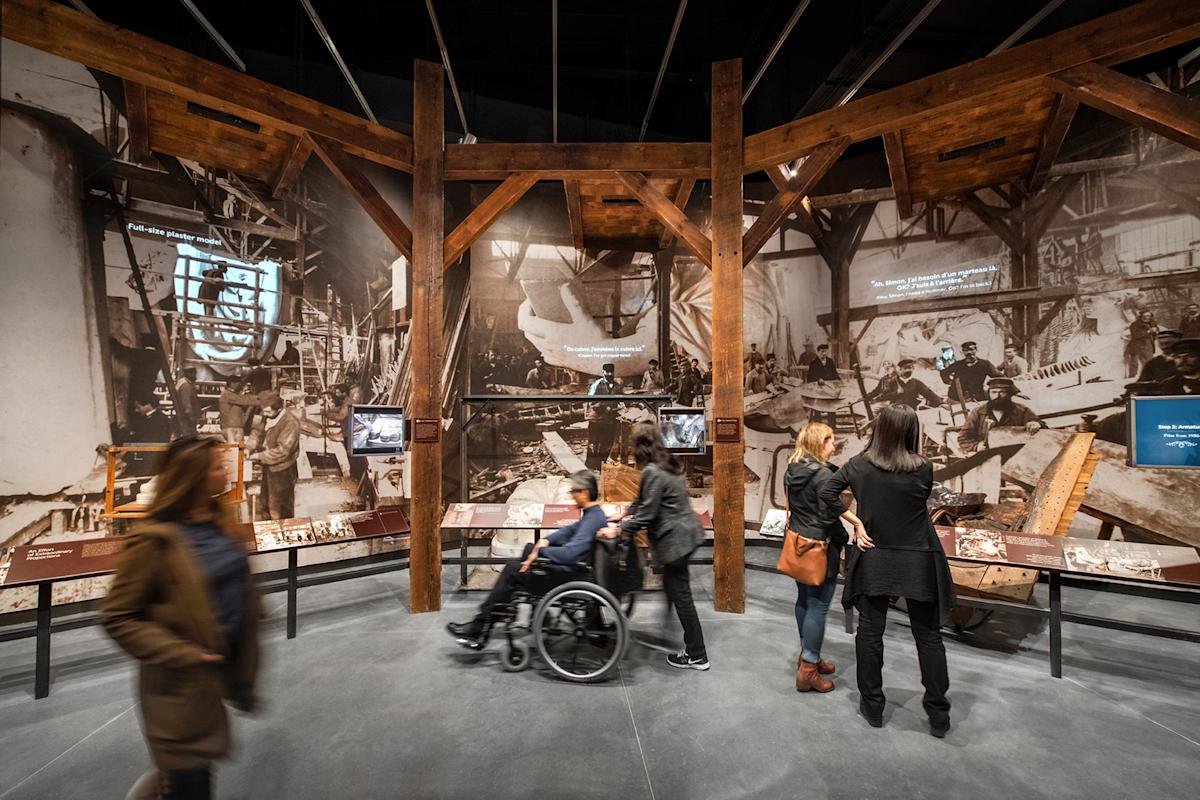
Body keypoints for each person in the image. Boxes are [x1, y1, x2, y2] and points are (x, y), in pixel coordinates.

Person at [102, 435, 260, 799]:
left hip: (218, 676)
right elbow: (118, 616)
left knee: (195, 771)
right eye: (219, 466)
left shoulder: (219, 521)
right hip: (180, 687)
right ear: (195, 477)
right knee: (191, 780)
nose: (227, 471)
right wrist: (186, 655)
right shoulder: (153, 540)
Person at [818, 405, 955, 737]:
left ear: (879, 428)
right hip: (917, 556)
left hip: (875, 553)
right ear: (911, 431)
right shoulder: (924, 468)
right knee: (929, 637)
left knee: (870, 633)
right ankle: (938, 715)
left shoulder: (858, 465)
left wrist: (855, 522)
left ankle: (873, 706)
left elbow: (826, 492)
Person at [446, 470, 606, 647]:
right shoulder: (593, 514)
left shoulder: (592, 519)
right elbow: (569, 531)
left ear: (584, 492)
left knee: (512, 570)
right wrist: (544, 542)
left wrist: (541, 552)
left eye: (574, 491)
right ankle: (529, 612)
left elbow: (571, 554)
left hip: (571, 575)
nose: (572, 495)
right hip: (576, 570)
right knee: (528, 548)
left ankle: (480, 627)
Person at [603, 423, 707, 670]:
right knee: (674, 587)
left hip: (675, 541)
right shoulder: (667, 463)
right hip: (686, 535)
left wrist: (619, 528)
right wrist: (625, 513)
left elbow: (648, 514)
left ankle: (697, 654)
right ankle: (674, 628)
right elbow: (644, 500)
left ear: (641, 446)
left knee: (682, 596)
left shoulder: (653, 471)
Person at [784, 422, 847, 693]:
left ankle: (808, 653)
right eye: (830, 441)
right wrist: (844, 537)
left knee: (804, 600)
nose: (834, 446)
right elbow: (830, 515)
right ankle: (808, 668)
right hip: (821, 546)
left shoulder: (793, 468)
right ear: (819, 443)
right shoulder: (823, 476)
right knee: (818, 605)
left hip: (799, 542)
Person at [248, 393, 300, 520]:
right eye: (264, 411)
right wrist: (249, 445)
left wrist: (259, 456)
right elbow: (257, 431)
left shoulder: (290, 423)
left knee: (280, 507)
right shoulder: (268, 416)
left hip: (283, 470)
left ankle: (285, 533)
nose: (265, 414)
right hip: (269, 466)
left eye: (268, 412)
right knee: (265, 502)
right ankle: (269, 531)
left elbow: (283, 451)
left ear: (279, 409)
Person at [956, 377, 1043, 452]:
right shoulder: (978, 412)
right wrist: (976, 447)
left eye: (1002, 392)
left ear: (1009, 394)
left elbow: (1043, 428)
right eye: (993, 392)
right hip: (987, 456)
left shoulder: (1022, 410)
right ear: (988, 394)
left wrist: (1035, 424)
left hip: (1015, 455)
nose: (997, 396)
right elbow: (963, 438)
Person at [867, 359, 940, 410]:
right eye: (906, 368)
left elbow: (929, 393)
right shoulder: (893, 381)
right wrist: (896, 393)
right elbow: (884, 395)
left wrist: (940, 403)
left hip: (910, 410)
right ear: (900, 369)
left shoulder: (916, 383)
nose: (908, 370)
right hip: (895, 409)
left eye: (911, 368)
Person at [217, 377, 261, 444]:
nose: (241, 385)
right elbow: (245, 400)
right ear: (232, 383)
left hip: (233, 428)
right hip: (231, 428)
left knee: (238, 451)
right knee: (235, 450)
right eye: (239, 383)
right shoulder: (227, 394)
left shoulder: (230, 394)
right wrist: (264, 398)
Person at [1125, 310, 1158, 378]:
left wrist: (1156, 331)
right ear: (1141, 316)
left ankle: (1149, 377)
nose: (1146, 318)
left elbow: (1156, 330)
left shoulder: (1152, 323)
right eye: (1144, 316)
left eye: (1148, 316)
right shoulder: (1135, 324)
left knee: (1150, 362)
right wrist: (1148, 331)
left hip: (1148, 345)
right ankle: (1132, 378)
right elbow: (1136, 335)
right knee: (1134, 363)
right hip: (1136, 345)